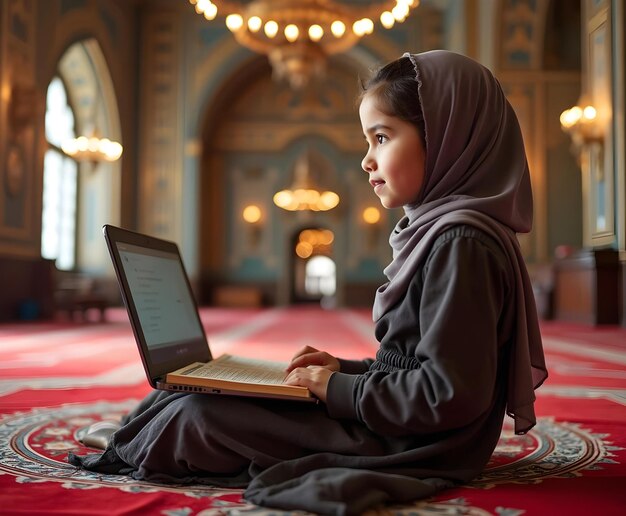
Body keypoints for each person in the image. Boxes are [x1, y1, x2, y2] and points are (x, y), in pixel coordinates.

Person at [69, 50, 548, 515]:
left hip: (405, 441)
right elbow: (413, 364)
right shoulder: (443, 234)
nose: (367, 160)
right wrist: (342, 368)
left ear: (446, 136)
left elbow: (447, 396)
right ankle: (133, 434)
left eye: (381, 137)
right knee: (192, 387)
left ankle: (129, 442)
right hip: (391, 418)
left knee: (199, 415)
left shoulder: (460, 242)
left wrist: (336, 389)